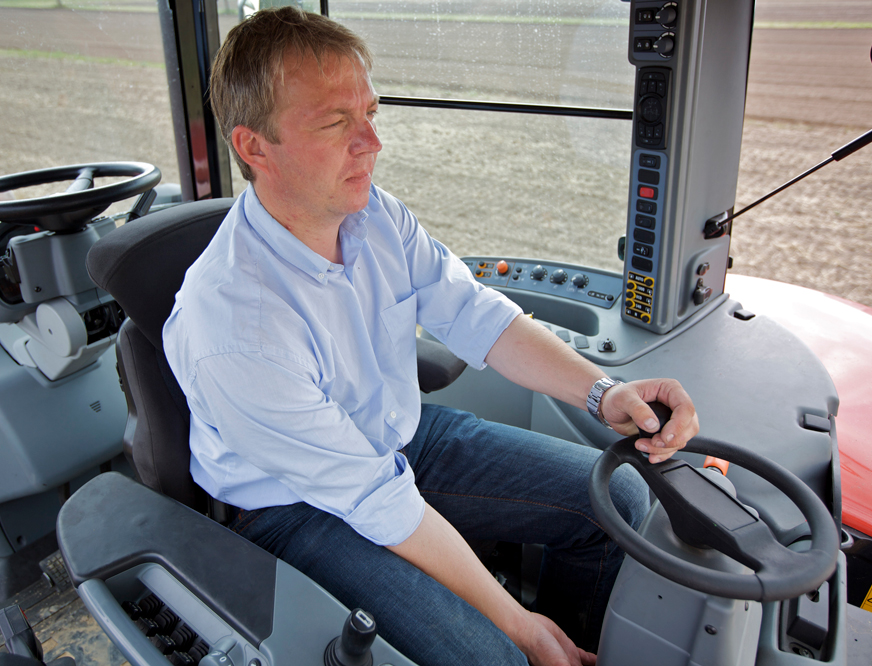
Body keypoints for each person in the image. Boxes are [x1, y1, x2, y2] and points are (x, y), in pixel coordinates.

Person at [163, 7, 699, 666]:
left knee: (618, 499)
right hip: (294, 505)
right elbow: (371, 495)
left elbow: (475, 314)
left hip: (395, 440)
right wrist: (516, 625)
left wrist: (604, 393)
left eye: (371, 113)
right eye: (335, 123)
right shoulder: (233, 324)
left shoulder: (375, 217)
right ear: (254, 148)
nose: (372, 142)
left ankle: (571, 643)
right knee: (498, 657)